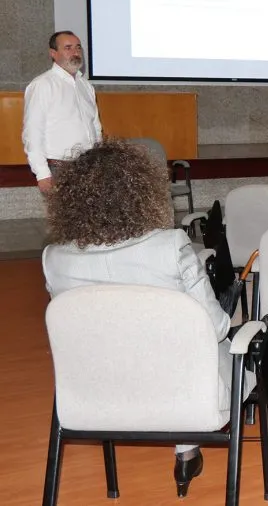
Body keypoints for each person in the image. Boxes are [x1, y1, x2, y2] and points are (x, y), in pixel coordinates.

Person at [41, 139, 231, 497]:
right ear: (142, 192)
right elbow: (217, 328)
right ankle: (185, 448)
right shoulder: (170, 247)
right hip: (179, 390)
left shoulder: (54, 258)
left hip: (93, 392)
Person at [22, 31, 102, 194]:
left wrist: (99, 161)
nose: (75, 52)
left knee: (88, 219)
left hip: (89, 167)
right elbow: (33, 132)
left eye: (78, 47)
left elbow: (95, 126)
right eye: (68, 48)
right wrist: (42, 173)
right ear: (53, 53)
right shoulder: (43, 85)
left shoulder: (85, 86)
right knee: (65, 220)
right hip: (59, 169)